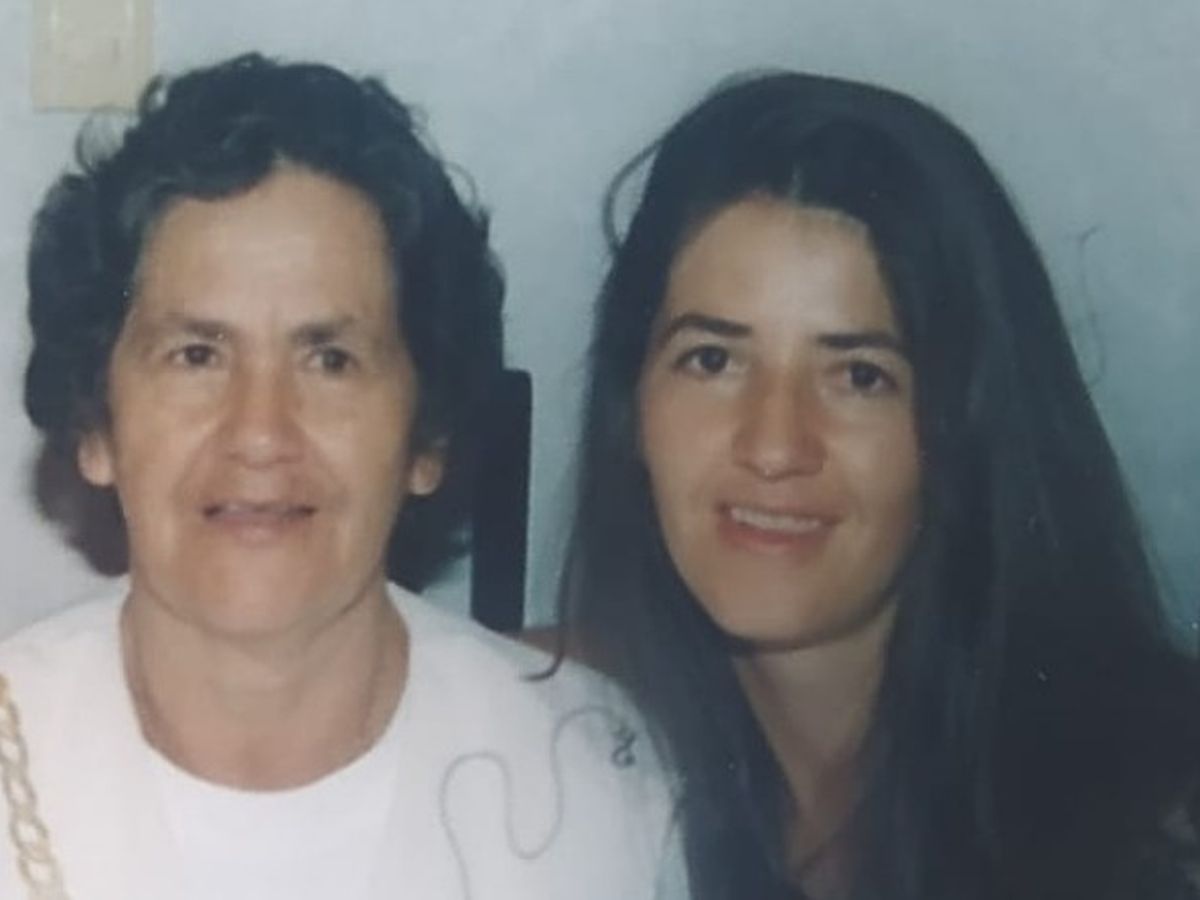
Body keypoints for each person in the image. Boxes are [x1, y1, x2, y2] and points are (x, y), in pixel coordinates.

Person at [0, 54, 682, 900]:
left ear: (425, 437)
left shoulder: (597, 788)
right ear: (97, 425)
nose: (260, 432)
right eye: (197, 354)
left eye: (330, 359)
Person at [559, 71, 1200, 900]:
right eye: (712, 359)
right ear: (632, 406)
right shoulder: (578, 758)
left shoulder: (1164, 822)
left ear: (965, 427)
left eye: (860, 376)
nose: (775, 446)